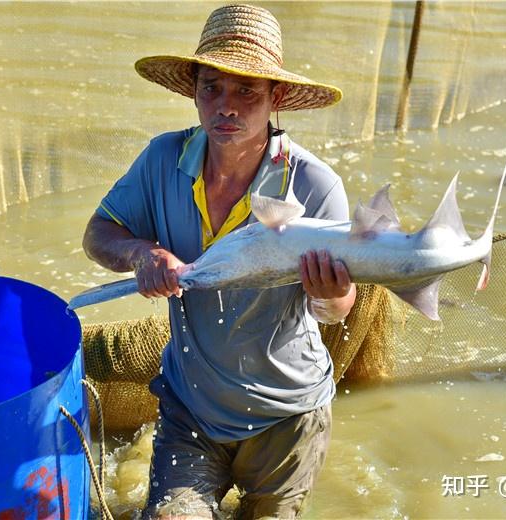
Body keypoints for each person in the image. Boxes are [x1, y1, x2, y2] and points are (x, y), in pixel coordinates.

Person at [83, 4, 356, 518]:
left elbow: (338, 310)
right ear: (194, 92)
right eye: (212, 88)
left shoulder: (315, 185)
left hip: (288, 418)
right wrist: (141, 253)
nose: (226, 107)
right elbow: (98, 234)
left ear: (276, 99)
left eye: (247, 91)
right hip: (191, 409)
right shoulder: (163, 159)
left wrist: (329, 291)